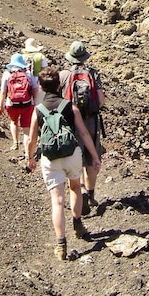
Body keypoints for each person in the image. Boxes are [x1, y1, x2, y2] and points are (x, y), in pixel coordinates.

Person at [26, 66, 100, 261]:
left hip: (50, 158)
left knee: (57, 200)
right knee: (75, 186)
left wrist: (30, 157)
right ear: (59, 85)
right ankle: (77, 223)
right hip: (71, 153)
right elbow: (83, 133)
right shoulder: (70, 106)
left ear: (41, 88)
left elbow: (32, 139)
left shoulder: (38, 110)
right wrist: (94, 156)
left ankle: (61, 244)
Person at [59, 41, 105, 216]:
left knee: (73, 158)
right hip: (91, 122)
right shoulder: (93, 74)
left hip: (70, 122)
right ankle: (90, 194)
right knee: (92, 158)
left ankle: (77, 192)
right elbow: (101, 100)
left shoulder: (63, 75)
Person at [0, 53, 39, 152]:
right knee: (26, 128)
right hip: (28, 104)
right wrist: (36, 103)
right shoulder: (28, 74)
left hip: (11, 104)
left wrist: (1, 106)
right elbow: (35, 90)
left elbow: (3, 92)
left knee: (14, 122)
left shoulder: (7, 74)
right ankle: (27, 151)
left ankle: (15, 142)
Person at [21, 37, 49, 104]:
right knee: (38, 104)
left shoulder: (23, 57)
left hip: (25, 82)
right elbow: (45, 70)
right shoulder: (41, 56)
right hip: (38, 82)